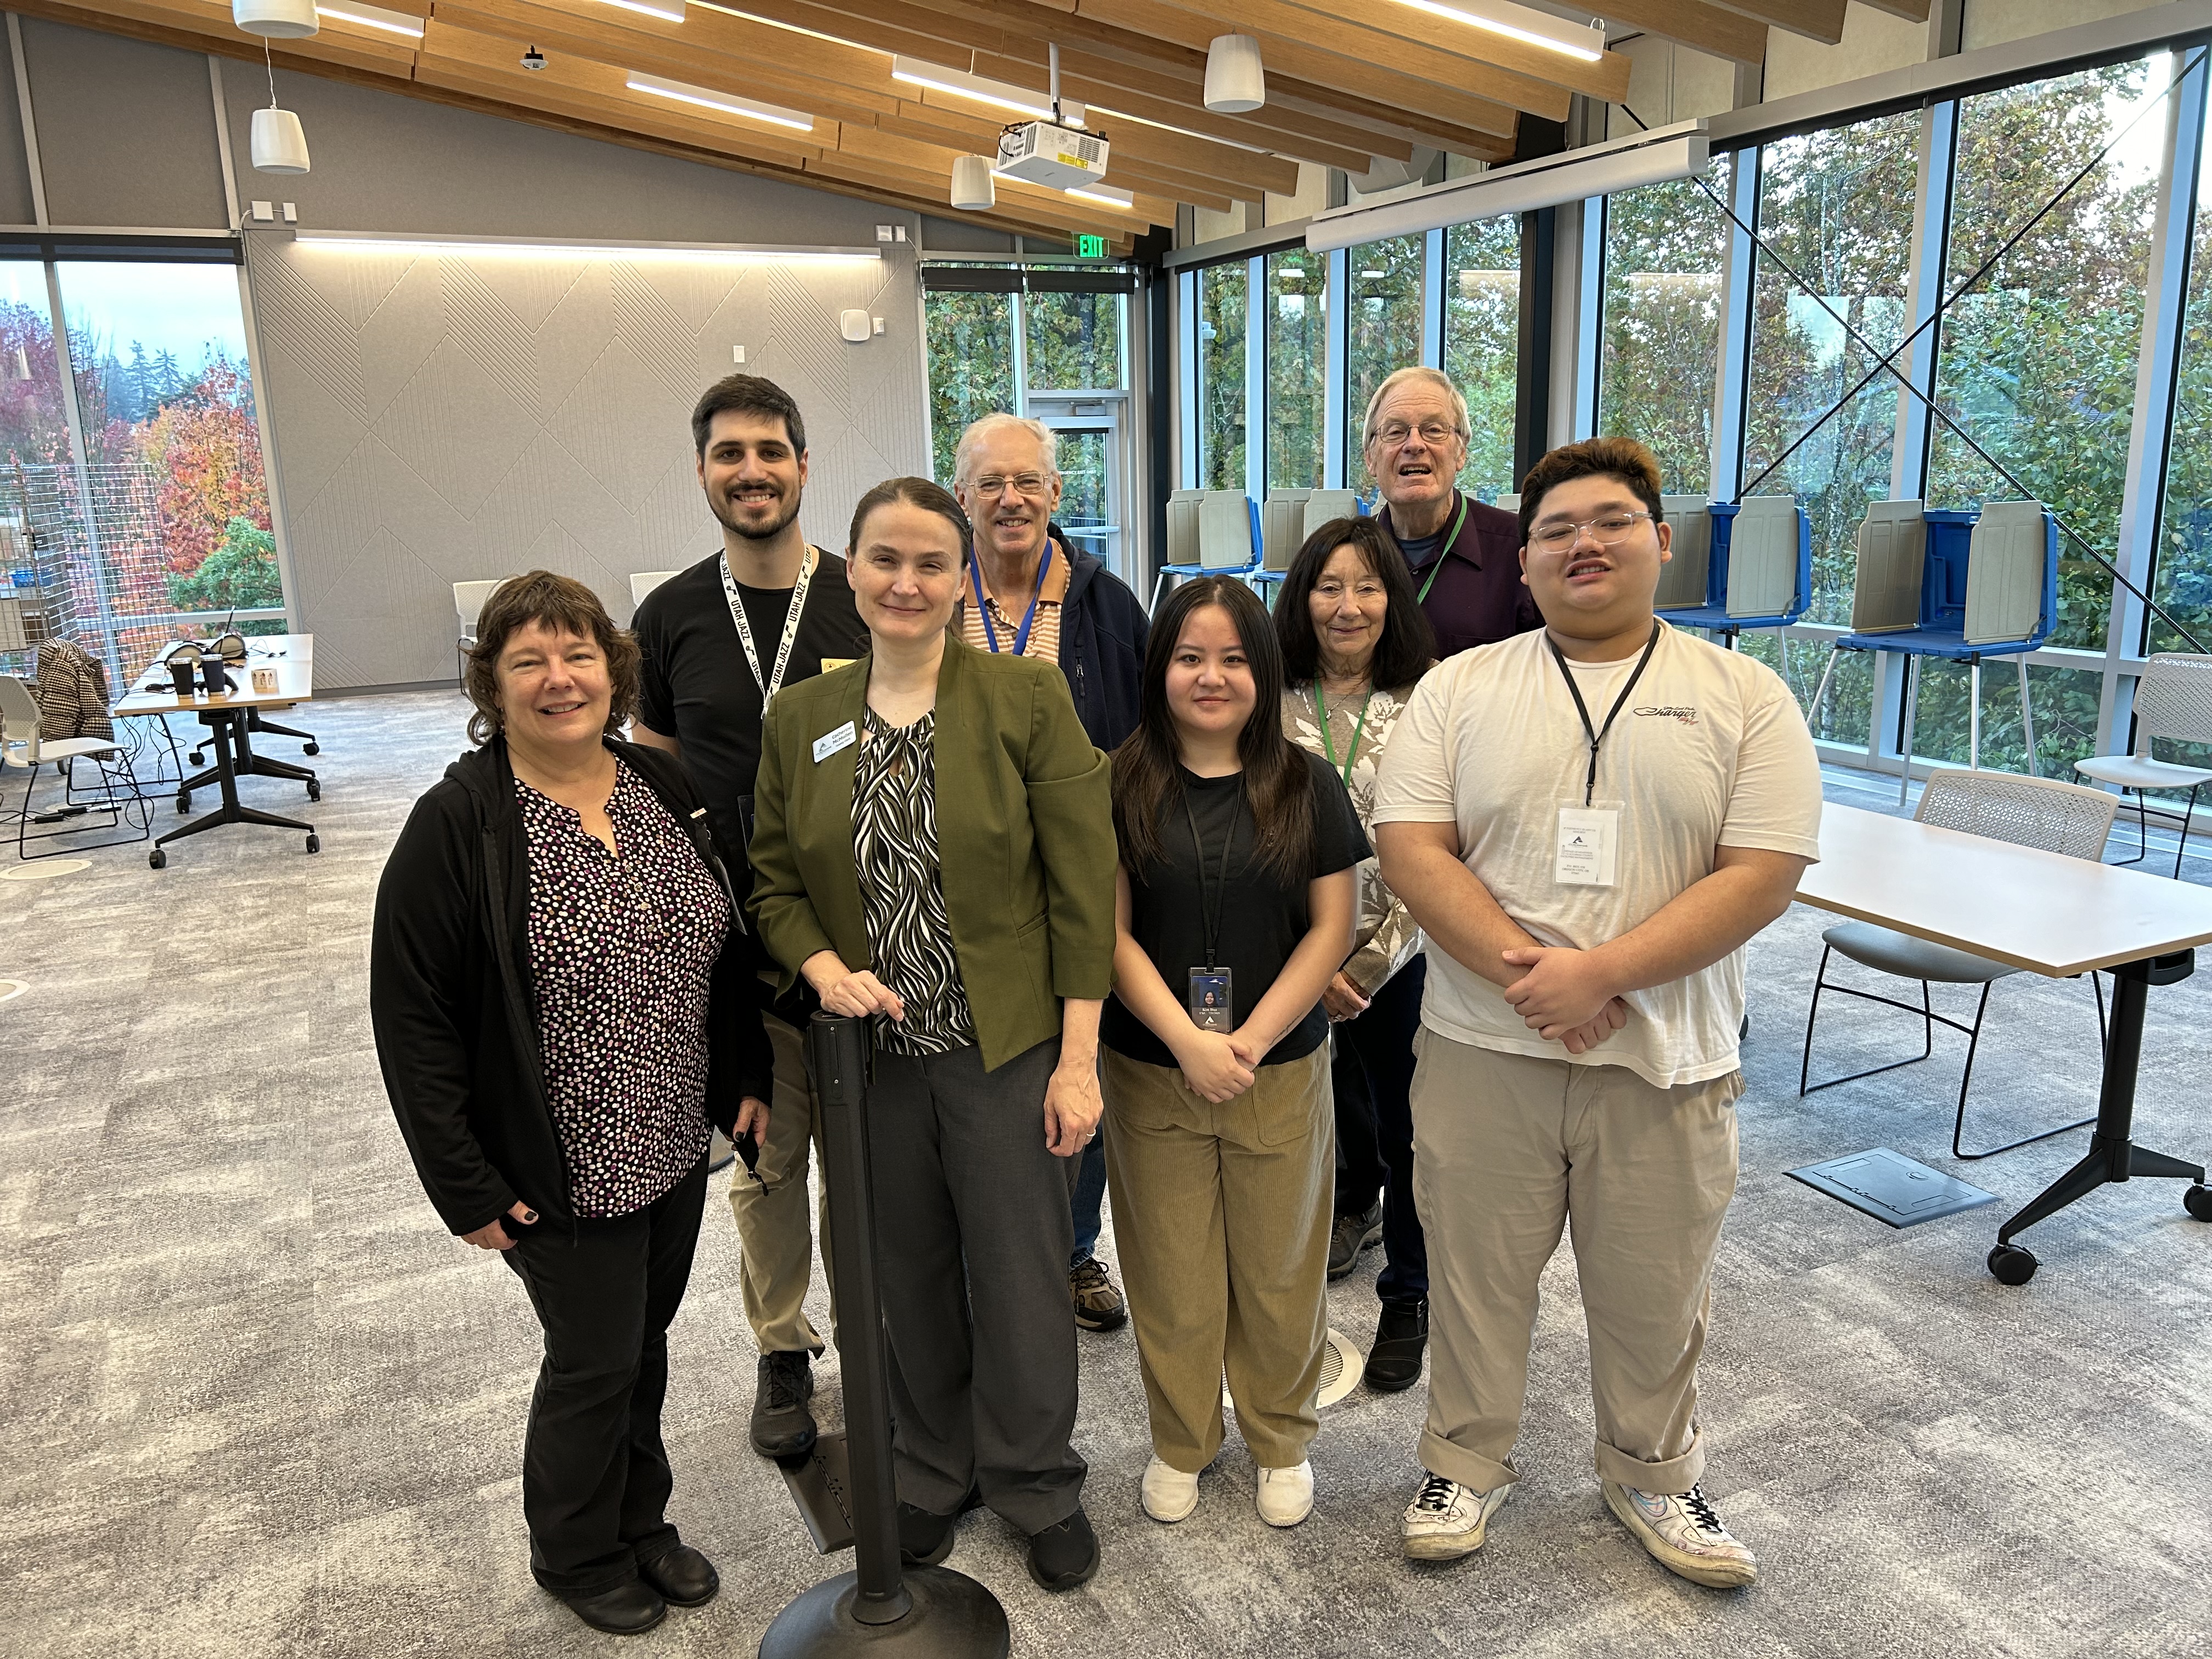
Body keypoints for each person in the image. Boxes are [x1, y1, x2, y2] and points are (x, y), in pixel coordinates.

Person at [1370, 437, 1821, 1585]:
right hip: (1482, 1048)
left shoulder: (1745, 697)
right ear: (1524, 562)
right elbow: (1413, 850)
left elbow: (1764, 871)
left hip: (1669, 1055)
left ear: (1660, 542)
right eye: (1558, 529)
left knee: (1657, 1288)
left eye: (1612, 521)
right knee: (1475, 1275)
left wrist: (1605, 972)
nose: (1585, 543)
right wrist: (1544, 980)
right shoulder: (1461, 689)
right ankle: (1464, 1461)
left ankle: (1652, 1474)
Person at [370, 572, 772, 1635]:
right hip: (555, 1157)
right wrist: (461, 1180)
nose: (560, 680)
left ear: (614, 667)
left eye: (579, 655)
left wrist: (744, 1077)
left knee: (641, 1349)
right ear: (492, 686)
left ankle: (642, 1524)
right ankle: (574, 1548)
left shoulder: (659, 784)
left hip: (672, 1135)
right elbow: (412, 1019)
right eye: (529, 662)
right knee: (594, 1359)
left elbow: (727, 947)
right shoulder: (460, 824)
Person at [748, 475, 1116, 1593]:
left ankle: (1036, 1480)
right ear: (848, 571)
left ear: (962, 580)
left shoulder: (1024, 700)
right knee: (898, 1278)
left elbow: (1083, 887)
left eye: (930, 563)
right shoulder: (803, 716)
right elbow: (769, 881)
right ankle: (927, 1470)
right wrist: (820, 967)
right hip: (868, 1066)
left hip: (1002, 1053)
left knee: (1017, 1278)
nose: (907, 582)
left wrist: (1081, 1061)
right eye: (885, 560)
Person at [632, 374, 869, 1463]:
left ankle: (880, 1339)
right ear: (703, 473)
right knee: (768, 1165)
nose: (753, 472)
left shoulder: (863, 595)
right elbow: (660, 754)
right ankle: (783, 1347)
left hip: (864, 943)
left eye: (771, 451)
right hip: (736, 954)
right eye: (730, 454)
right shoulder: (670, 615)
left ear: (804, 465)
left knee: (875, 1163)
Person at [1102, 575, 1367, 1532]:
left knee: (1279, 1262)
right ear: (1158, 666)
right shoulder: (1119, 778)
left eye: (1232, 658)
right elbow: (1109, 933)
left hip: (1279, 1065)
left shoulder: (1307, 781)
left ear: (1263, 669)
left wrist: (1246, 1040)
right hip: (1149, 1063)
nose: (1210, 676)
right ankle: (1181, 1438)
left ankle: (1279, 1437)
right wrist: (1187, 1037)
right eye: (1188, 656)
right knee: (1169, 1265)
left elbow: (1332, 926)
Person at [952, 410, 1150, 1336]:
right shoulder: (934, 599)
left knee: (1082, 1071)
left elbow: (1149, 741)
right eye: (990, 483)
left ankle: (1070, 1250)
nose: (1010, 499)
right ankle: (985, 1249)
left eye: (1027, 481)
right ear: (962, 496)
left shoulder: (1106, 604)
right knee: (982, 1074)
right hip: (961, 887)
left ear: (1057, 494)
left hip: (1083, 881)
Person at [1273, 517, 1437, 1392]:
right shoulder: (1269, 694)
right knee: (1296, 1135)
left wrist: (1366, 965)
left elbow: (1454, 847)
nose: (1347, 606)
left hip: (1400, 964)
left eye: (1367, 587)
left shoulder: (1435, 698)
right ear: (1302, 597)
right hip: (1287, 960)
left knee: (1413, 1134)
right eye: (1328, 586)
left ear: (1392, 598)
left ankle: (1408, 1296)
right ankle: (1284, 1313)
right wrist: (1311, 961)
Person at [1361, 365, 1541, 658]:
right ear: (1370, 457)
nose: (1415, 444)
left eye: (1434, 430)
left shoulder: (1521, 548)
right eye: (1395, 432)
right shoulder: (1348, 556)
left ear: (1461, 452)